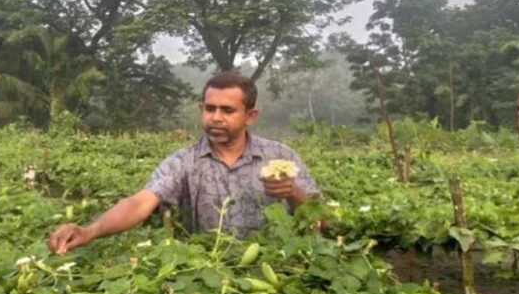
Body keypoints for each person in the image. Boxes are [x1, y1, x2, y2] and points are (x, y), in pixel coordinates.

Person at [48, 71, 319, 254]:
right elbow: (140, 202)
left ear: (250, 116)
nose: (215, 117)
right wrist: (90, 230)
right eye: (209, 108)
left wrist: (293, 192)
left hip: (276, 268)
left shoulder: (281, 157)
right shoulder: (183, 161)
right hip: (207, 274)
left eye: (227, 110)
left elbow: (324, 220)